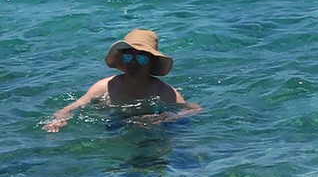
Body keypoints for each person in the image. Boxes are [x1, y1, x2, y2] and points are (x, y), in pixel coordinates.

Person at [42, 29, 201, 133]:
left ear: (152, 61)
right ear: (121, 60)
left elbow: (194, 110)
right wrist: (58, 119)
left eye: (141, 57)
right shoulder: (105, 87)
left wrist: (160, 119)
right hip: (115, 126)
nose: (133, 62)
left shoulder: (163, 91)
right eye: (128, 56)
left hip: (152, 132)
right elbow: (72, 107)